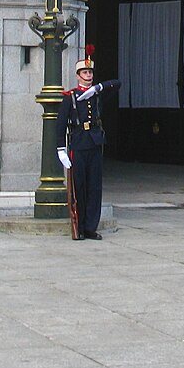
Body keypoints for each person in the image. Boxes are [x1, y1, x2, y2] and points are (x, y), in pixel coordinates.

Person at [56, 48, 121, 240]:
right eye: (85, 73)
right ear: (78, 76)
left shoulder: (96, 94)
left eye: (90, 72)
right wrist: (61, 150)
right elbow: (60, 125)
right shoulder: (70, 97)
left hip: (95, 142)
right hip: (78, 143)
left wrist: (98, 87)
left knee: (94, 187)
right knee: (80, 187)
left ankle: (91, 226)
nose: (88, 75)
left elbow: (117, 84)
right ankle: (80, 225)